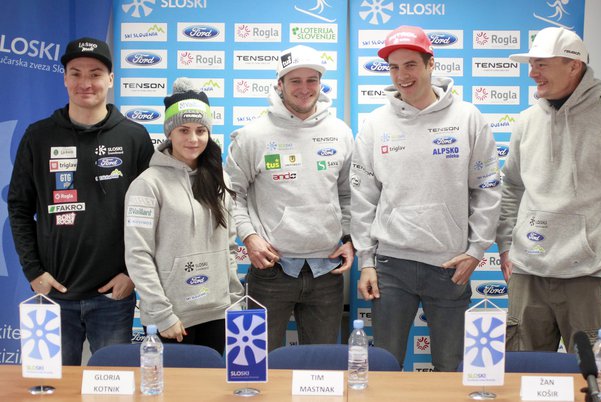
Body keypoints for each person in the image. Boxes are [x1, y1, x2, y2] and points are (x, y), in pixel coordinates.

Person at [496, 27, 601, 373]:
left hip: (590, 277)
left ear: (574, 66)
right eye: (531, 63)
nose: (532, 72)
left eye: (541, 64)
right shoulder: (525, 122)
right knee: (520, 378)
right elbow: (510, 187)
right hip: (528, 275)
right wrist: (506, 246)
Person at [351, 26, 502, 371]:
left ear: (431, 64)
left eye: (410, 65)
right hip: (391, 265)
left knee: (451, 367)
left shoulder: (468, 118)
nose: (402, 75)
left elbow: (487, 188)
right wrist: (367, 261)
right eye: (394, 67)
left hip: (449, 266)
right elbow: (363, 198)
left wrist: (476, 251)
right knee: (384, 366)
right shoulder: (375, 123)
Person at [7, 37, 154, 365]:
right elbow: (18, 207)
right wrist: (34, 272)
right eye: (75, 73)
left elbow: (151, 213)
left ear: (110, 79)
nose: (85, 83)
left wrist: (132, 273)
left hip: (113, 297)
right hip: (51, 295)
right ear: (64, 78)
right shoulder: (38, 136)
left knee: (113, 389)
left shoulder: (134, 137)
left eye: (95, 73)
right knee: (48, 389)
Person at [225, 45, 354, 351]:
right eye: (295, 81)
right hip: (271, 271)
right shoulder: (253, 135)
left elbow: (348, 194)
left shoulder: (340, 132)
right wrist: (250, 237)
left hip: (327, 272)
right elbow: (232, 195)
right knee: (255, 365)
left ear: (321, 84)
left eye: (312, 80)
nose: (304, 88)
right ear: (279, 84)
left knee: (322, 370)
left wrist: (350, 237)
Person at [124, 78, 243, 355]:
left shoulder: (219, 177)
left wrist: (234, 300)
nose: (193, 139)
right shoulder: (147, 184)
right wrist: (161, 313)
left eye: (201, 130)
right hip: (172, 318)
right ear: (170, 133)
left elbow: (229, 246)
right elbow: (138, 254)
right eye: (184, 130)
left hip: (217, 312)